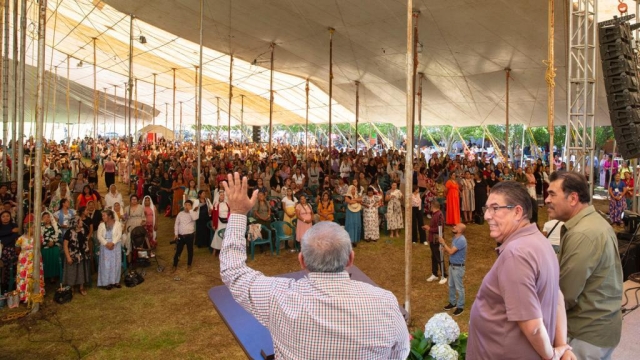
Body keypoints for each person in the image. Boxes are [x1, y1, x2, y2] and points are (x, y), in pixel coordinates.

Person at [219, 172, 410, 359]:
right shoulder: (385, 303)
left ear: (301, 261)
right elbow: (400, 352)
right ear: (350, 259)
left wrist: (236, 213)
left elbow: (233, 273)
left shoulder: (278, 297)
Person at [467, 181, 571, 360]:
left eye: (495, 208)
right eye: (487, 208)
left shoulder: (516, 254)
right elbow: (557, 296)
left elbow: (534, 326)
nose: (486, 216)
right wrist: (561, 344)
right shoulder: (540, 241)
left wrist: (552, 355)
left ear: (517, 212)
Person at [547, 171, 623, 359]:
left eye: (552, 194)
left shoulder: (583, 233)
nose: (547, 199)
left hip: (585, 333)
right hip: (597, 329)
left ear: (573, 198)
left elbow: (564, 294)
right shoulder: (593, 222)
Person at [440, 223, 467, 316]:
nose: (454, 227)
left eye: (456, 227)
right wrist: (445, 249)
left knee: (459, 288)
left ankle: (460, 306)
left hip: (458, 268)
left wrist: (444, 243)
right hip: (452, 266)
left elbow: (451, 251)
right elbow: (452, 251)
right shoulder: (455, 238)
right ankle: (452, 303)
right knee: (451, 285)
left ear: (459, 230)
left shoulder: (461, 240)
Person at [15, 218, 45, 303]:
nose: (34, 229)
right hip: (24, 261)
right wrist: (25, 255)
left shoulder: (38, 237)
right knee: (24, 277)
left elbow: (41, 246)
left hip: (36, 259)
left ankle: (36, 294)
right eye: (32, 227)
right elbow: (17, 249)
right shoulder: (21, 239)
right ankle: (24, 295)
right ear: (27, 228)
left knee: (35, 276)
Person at [62, 216, 90, 296]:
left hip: (82, 255)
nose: (82, 222)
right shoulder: (69, 232)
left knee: (81, 271)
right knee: (72, 271)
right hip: (72, 255)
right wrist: (68, 257)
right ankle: (71, 287)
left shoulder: (83, 230)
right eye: (80, 220)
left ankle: (81, 287)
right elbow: (65, 245)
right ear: (76, 223)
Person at [97, 209, 123, 290]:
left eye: (104, 215)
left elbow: (119, 234)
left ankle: (116, 281)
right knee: (106, 264)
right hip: (105, 247)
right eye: (102, 215)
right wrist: (106, 243)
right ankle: (107, 282)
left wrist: (113, 243)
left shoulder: (118, 224)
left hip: (115, 245)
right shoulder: (101, 225)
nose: (102, 217)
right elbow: (99, 236)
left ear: (110, 216)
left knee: (116, 263)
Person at [422, 202, 447, 284]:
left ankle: (444, 274)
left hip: (436, 239)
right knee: (434, 257)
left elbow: (440, 228)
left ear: (433, 207)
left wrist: (429, 229)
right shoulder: (435, 214)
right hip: (432, 239)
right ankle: (434, 273)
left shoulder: (439, 215)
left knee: (439, 257)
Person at [172, 199, 200, 273]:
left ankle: (189, 265)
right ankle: (175, 265)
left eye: (188, 205)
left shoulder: (194, 213)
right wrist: (176, 234)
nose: (186, 206)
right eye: (185, 205)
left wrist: (191, 210)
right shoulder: (180, 213)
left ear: (191, 206)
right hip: (181, 236)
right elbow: (176, 224)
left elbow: (195, 218)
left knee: (190, 251)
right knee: (178, 251)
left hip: (190, 236)